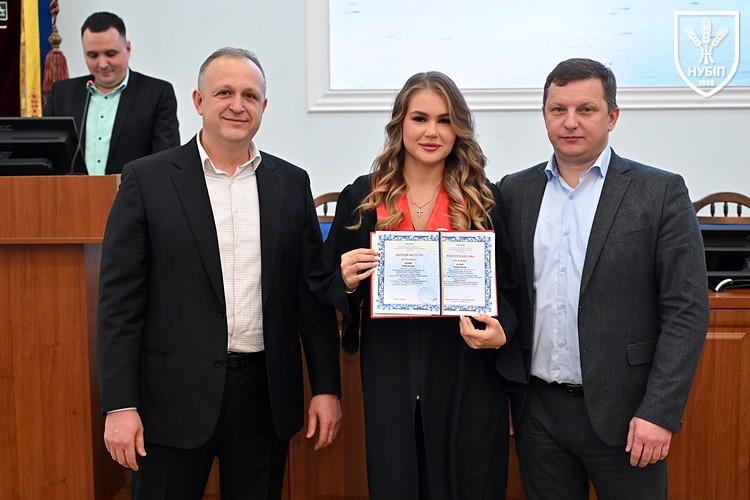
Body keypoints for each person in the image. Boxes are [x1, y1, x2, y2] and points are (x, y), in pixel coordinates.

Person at [97, 47, 342, 500]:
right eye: (224, 92)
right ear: (198, 101)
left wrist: (326, 388)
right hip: (169, 400)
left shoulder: (291, 185)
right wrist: (119, 404)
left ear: (264, 106)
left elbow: (310, 299)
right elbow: (119, 305)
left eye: (250, 95)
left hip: (263, 398)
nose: (237, 105)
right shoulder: (147, 180)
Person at [497, 58, 708, 500]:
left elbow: (686, 312)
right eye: (558, 110)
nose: (570, 122)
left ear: (612, 116)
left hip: (630, 416)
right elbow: (505, 294)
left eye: (586, 109)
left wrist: (659, 412)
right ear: (544, 115)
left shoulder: (659, 192)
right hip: (538, 415)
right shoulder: (514, 191)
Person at [309, 71, 525, 500]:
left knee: (467, 482)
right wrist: (347, 281)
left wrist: (502, 331)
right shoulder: (364, 198)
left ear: (458, 129)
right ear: (400, 124)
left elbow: (511, 289)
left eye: (444, 120)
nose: (431, 132)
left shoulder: (483, 199)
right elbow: (323, 283)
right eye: (420, 118)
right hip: (391, 369)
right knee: (397, 478)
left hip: (466, 371)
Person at [44, 11, 179, 174]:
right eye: (92, 55)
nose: (102, 64)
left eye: (110, 54)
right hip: (71, 190)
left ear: (128, 49)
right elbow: (47, 157)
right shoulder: (61, 94)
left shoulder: (157, 93)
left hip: (131, 190)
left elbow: (165, 162)